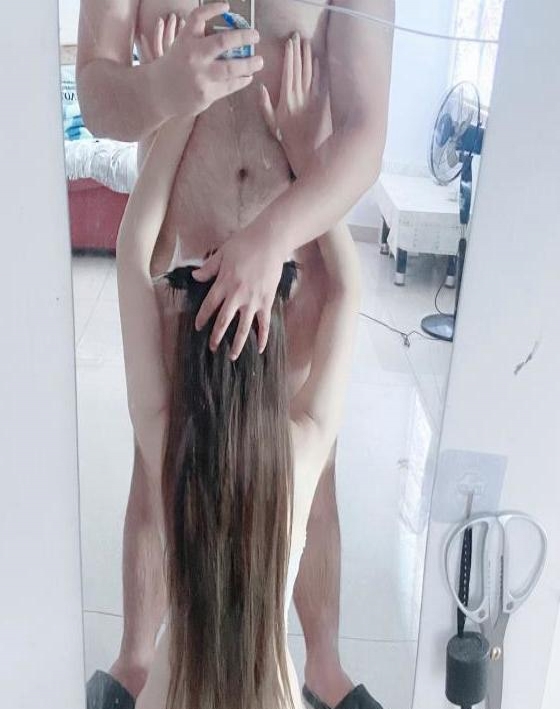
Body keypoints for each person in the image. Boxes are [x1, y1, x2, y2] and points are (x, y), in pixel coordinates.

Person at [78, 2, 394, 707]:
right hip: (182, 263)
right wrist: (162, 90)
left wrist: (273, 236)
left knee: (305, 485)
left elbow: (367, 135)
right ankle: (137, 656)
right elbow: (95, 95)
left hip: (293, 268)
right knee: (168, 479)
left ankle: (324, 664)